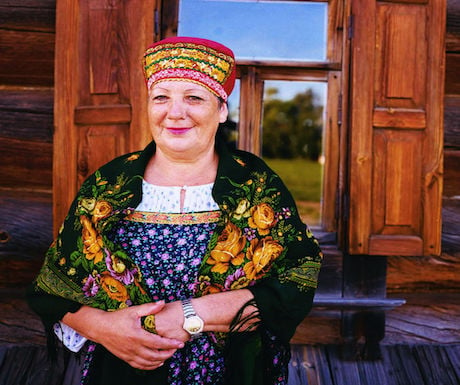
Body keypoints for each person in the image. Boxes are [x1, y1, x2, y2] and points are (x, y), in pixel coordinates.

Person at [27, 36, 323, 385]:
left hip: (227, 372)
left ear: (222, 109)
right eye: (161, 97)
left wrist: (189, 315)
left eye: (194, 97)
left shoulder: (256, 187)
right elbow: (52, 288)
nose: (175, 112)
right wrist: (105, 328)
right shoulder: (109, 184)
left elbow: (296, 280)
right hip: (123, 372)